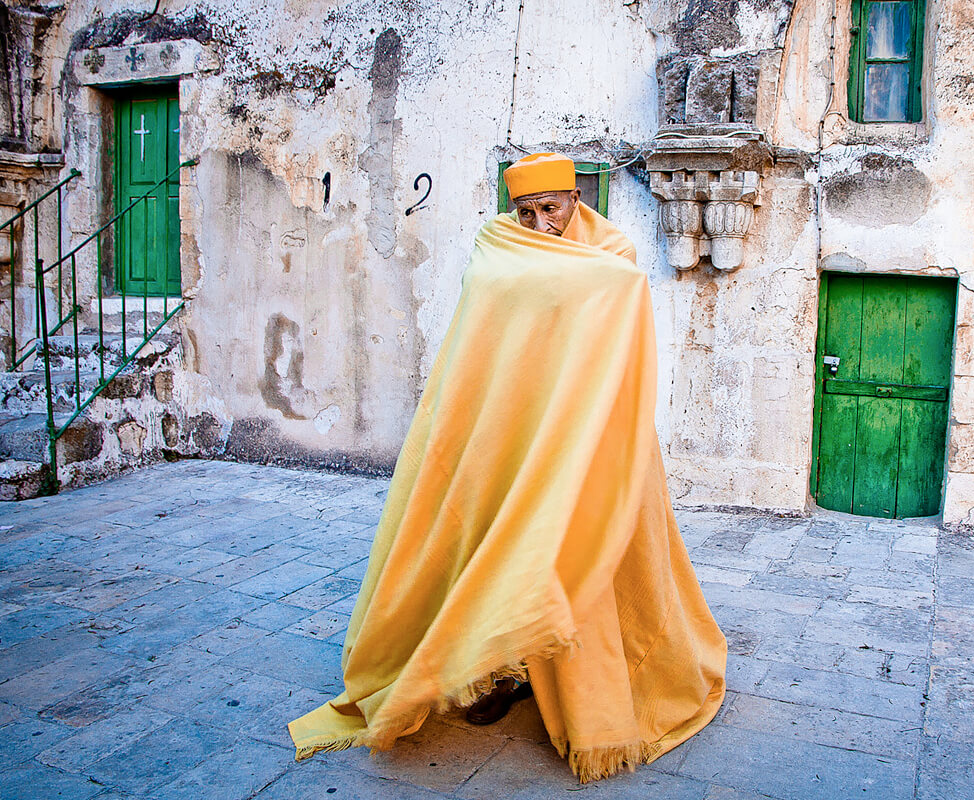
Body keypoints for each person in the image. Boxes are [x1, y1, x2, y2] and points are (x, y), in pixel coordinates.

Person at [289, 152, 726, 783]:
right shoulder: (499, 246)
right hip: (511, 427)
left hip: (592, 430)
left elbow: (613, 333)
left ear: (576, 198)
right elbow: (485, 336)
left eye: (550, 207)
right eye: (526, 209)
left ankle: (582, 691)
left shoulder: (613, 255)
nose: (538, 221)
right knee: (494, 544)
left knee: (578, 553)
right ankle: (496, 668)